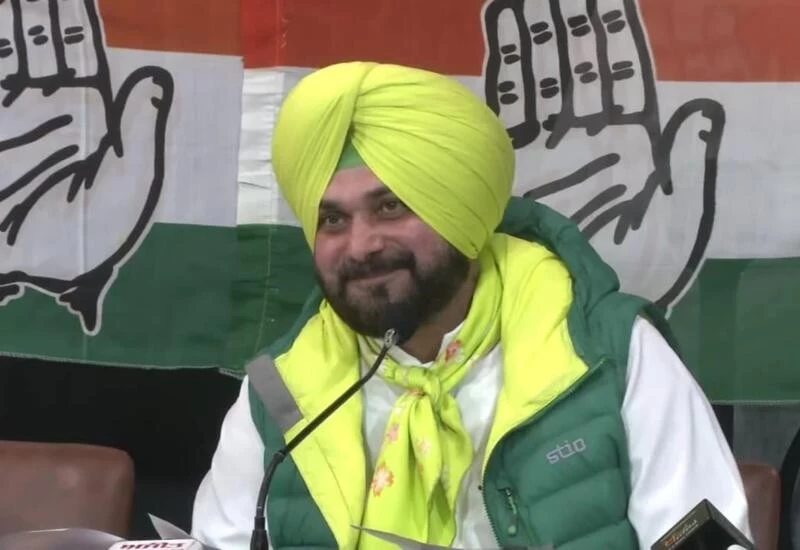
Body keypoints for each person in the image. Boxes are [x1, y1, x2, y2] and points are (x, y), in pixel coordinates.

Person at [191, 61, 752, 550]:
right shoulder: (282, 389)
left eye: (390, 207)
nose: (360, 245)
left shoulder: (609, 354)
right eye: (332, 219)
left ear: (458, 212)